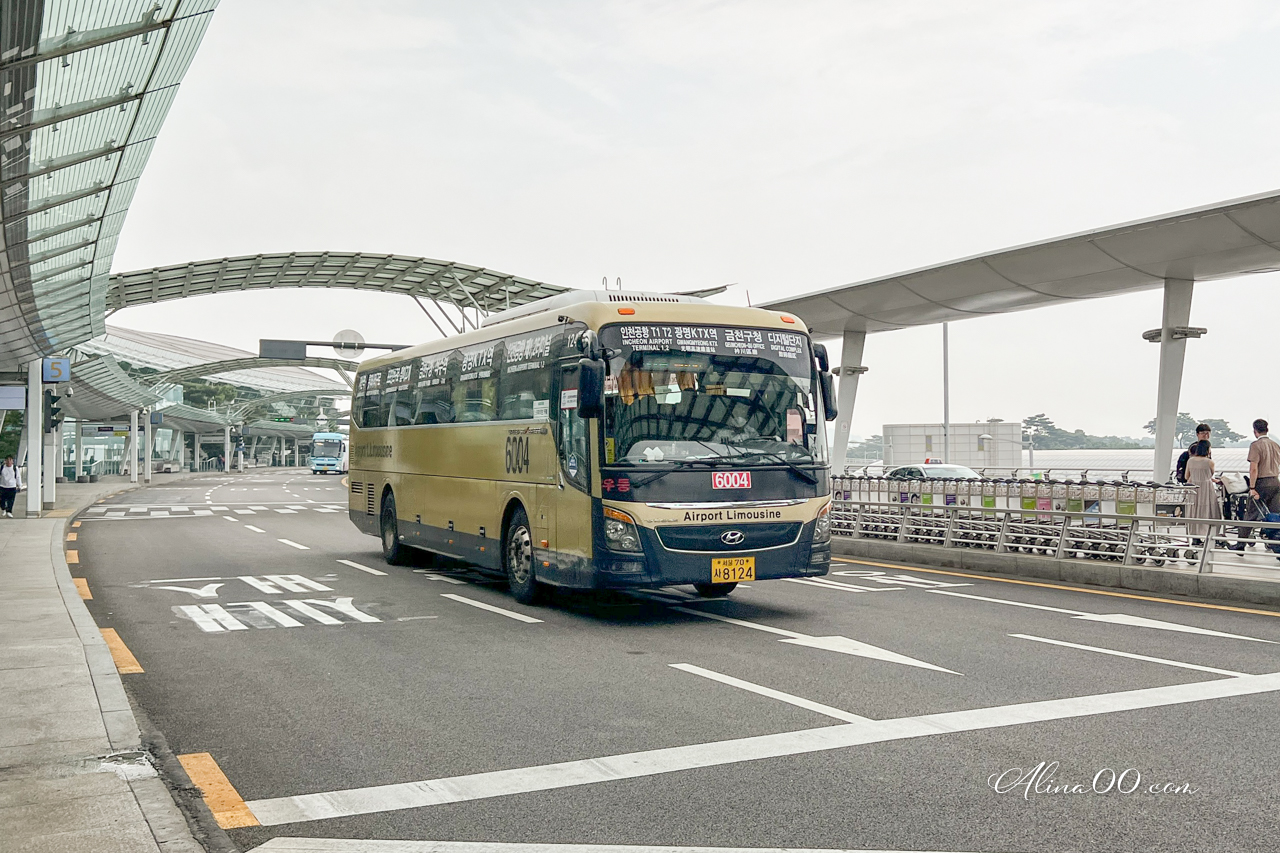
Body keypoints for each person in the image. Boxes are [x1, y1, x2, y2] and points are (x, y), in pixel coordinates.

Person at [1234, 418, 1280, 549]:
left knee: (1251, 514)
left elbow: (1253, 468)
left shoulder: (1255, 445)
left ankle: (1240, 544)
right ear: (1267, 429)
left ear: (1255, 431)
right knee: (1275, 515)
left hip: (1261, 483)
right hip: (1275, 482)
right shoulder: (1276, 445)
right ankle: (1274, 543)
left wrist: (1252, 487)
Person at [1185, 440, 1221, 545]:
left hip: (1194, 488)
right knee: (1210, 511)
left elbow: (1186, 476)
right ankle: (1210, 535)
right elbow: (1211, 474)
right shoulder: (1209, 462)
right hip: (1207, 488)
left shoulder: (1190, 461)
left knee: (1195, 512)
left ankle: (1195, 536)